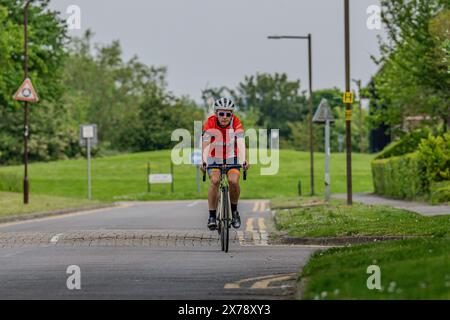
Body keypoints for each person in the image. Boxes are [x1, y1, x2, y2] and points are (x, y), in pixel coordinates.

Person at [201, 98, 248, 230]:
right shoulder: (210, 122)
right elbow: (205, 143)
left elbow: (240, 141)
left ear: (232, 115)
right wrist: (204, 160)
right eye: (222, 113)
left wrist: (243, 159)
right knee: (215, 181)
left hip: (231, 156)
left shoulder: (236, 122)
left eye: (228, 114)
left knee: (233, 181)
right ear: (216, 113)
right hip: (213, 156)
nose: (225, 117)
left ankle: (234, 212)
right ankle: (211, 216)